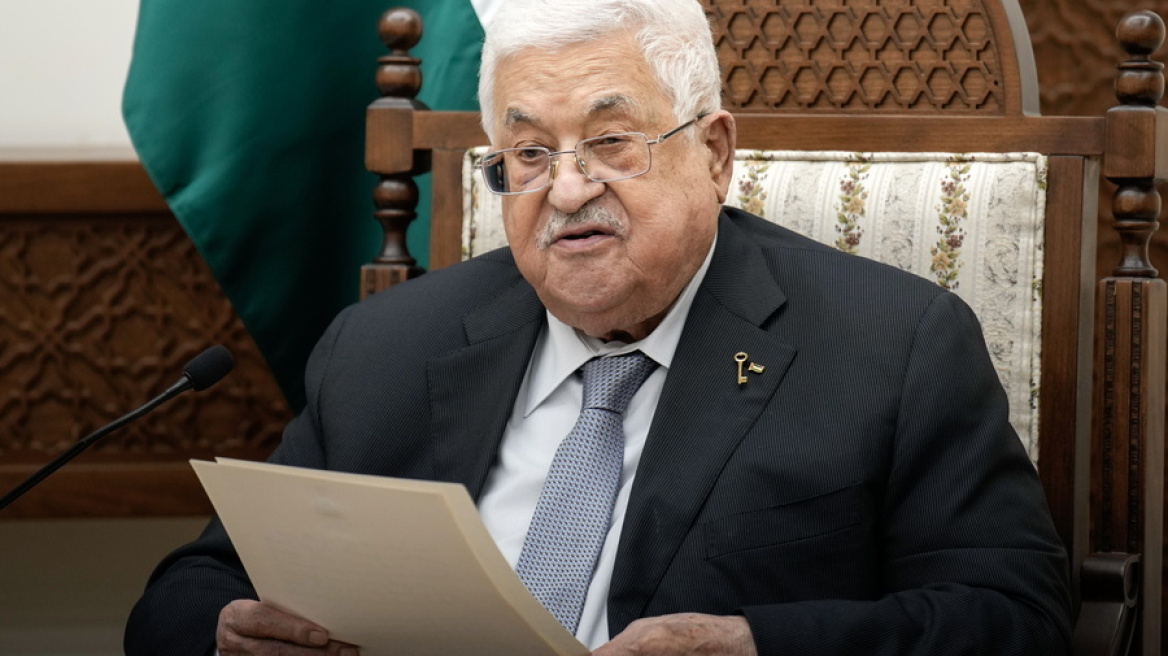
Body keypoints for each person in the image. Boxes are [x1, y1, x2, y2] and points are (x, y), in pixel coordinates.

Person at [124, 0, 1073, 654]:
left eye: (611, 142)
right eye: (529, 153)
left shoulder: (894, 346)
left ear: (714, 153)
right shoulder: (383, 348)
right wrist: (225, 631)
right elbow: (187, 592)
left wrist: (757, 643)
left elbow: (1017, 619)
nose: (569, 189)